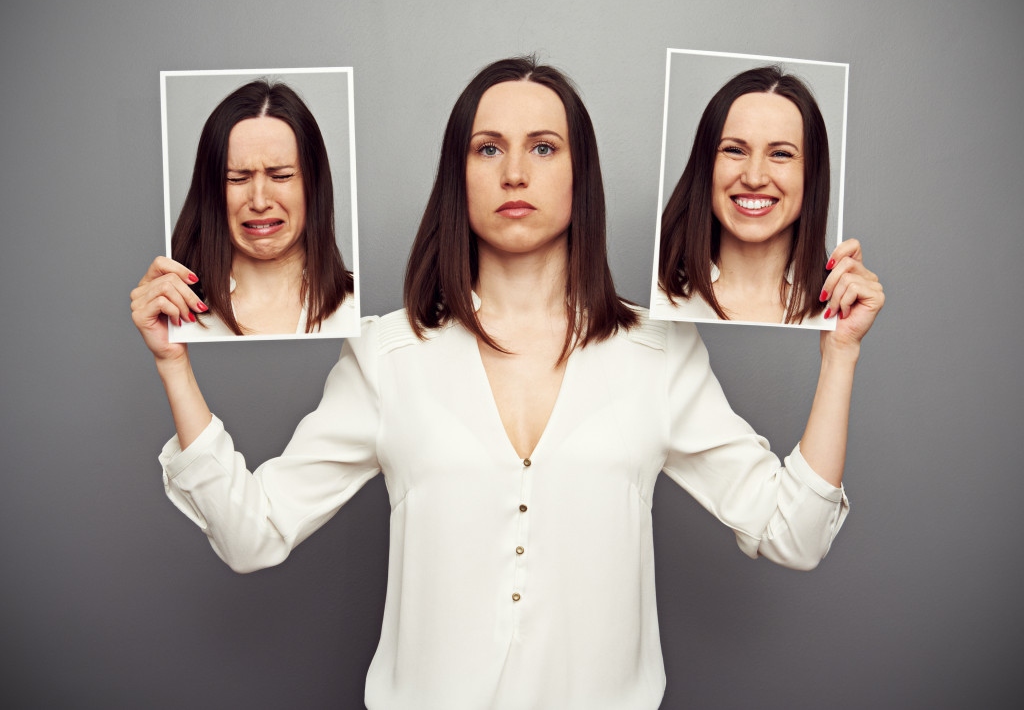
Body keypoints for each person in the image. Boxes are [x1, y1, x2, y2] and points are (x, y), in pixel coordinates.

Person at [131, 57, 884, 710]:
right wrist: (175, 366)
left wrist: (840, 355)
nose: (514, 172)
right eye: (488, 148)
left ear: (577, 173)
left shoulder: (658, 352)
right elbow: (250, 535)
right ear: (458, 174)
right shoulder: (387, 356)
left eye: (543, 147)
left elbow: (796, 535)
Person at [169, 79, 355, 338]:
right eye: (236, 178)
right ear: (210, 192)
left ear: (314, 185)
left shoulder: (357, 311)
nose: (259, 202)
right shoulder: (174, 313)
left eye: (280, 176)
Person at [655, 65, 834, 326]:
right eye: (735, 150)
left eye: (781, 154)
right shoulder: (660, 302)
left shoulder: (835, 309)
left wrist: (842, 347)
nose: (754, 178)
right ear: (705, 165)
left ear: (812, 175)